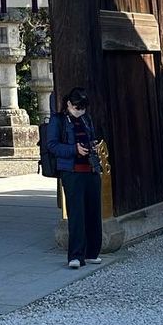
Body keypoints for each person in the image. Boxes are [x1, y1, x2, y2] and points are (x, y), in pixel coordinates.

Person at [46, 86, 104, 269]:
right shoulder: (58, 120)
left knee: (94, 212)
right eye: (77, 107)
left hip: (91, 169)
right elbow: (52, 145)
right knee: (76, 214)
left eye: (83, 108)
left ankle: (92, 252)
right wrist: (74, 149)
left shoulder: (86, 119)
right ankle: (76, 255)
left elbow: (92, 137)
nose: (80, 111)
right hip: (72, 171)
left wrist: (93, 146)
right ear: (69, 104)